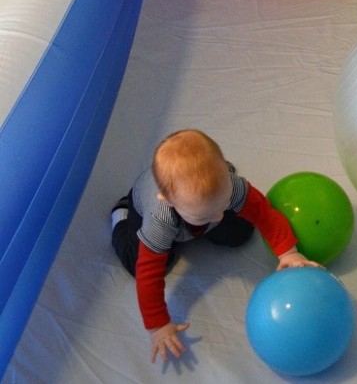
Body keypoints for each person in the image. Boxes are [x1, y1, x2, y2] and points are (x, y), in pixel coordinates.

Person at [110, 128, 318, 364]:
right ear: (170, 203)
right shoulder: (160, 219)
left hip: (195, 211)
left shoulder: (228, 187)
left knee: (239, 233)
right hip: (142, 207)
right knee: (137, 263)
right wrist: (158, 324)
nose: (219, 217)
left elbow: (264, 213)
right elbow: (149, 274)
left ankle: (201, 220)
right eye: (207, 214)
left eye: (222, 205)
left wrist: (288, 253)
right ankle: (120, 216)